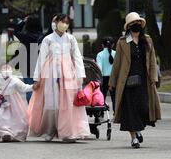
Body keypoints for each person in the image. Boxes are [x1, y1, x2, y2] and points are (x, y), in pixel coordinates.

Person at [29, 14, 92, 143]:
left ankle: (68, 132)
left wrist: (80, 75)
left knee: (68, 102)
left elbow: (77, 57)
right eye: (62, 21)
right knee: (52, 102)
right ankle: (50, 130)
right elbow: (41, 58)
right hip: (51, 73)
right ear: (56, 22)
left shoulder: (71, 39)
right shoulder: (48, 39)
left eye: (66, 22)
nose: (64, 24)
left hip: (68, 73)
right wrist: (37, 78)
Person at [109, 12, 161, 149]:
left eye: (137, 23)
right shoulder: (122, 42)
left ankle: (138, 129)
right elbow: (117, 63)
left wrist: (154, 78)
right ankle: (133, 139)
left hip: (144, 81)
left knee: (144, 108)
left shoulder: (147, 40)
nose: (135, 25)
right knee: (130, 111)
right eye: (132, 23)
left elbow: (152, 61)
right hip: (127, 82)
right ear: (128, 26)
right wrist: (112, 82)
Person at [0, 64, 35, 142]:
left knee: (15, 117)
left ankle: (9, 133)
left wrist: (33, 87)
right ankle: (4, 133)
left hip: (12, 101)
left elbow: (24, 88)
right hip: (1, 100)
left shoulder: (15, 80)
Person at [13, 15, 44, 102]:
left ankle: (31, 110)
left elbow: (15, 32)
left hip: (27, 66)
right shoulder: (42, 37)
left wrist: (23, 21)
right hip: (40, 66)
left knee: (29, 88)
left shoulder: (25, 36)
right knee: (40, 89)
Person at [96, 37, 116, 110]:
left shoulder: (100, 55)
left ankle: (100, 113)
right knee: (115, 97)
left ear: (102, 45)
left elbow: (99, 68)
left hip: (104, 78)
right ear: (113, 45)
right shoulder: (116, 53)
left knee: (101, 96)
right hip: (114, 78)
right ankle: (115, 113)